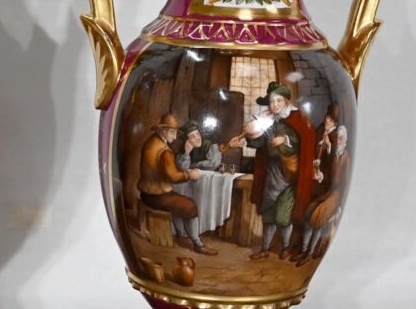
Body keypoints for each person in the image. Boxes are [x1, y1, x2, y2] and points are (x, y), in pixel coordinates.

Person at [228, 81, 315, 261]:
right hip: (271, 174)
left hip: (289, 175)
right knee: (268, 214)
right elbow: (259, 141)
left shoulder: (297, 118)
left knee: (283, 217)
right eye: (271, 101)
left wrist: (285, 139)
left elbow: (302, 140)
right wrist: (242, 142)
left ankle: (285, 246)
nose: (275, 105)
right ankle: (265, 249)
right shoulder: (267, 120)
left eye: (278, 101)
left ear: (286, 101)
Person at [138, 113, 216, 256]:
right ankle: (198, 244)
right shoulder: (164, 151)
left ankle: (181, 236)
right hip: (157, 196)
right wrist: (189, 175)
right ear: (163, 131)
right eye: (172, 133)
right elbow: (173, 176)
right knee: (190, 206)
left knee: (180, 201)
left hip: (146, 193)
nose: (174, 137)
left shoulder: (151, 142)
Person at [293, 125, 351, 266]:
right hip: (328, 193)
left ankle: (310, 253)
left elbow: (346, 184)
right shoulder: (333, 155)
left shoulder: (346, 158)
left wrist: (341, 207)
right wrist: (320, 177)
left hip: (337, 195)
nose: (339, 141)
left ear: (345, 141)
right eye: (337, 138)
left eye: (341, 138)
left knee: (318, 217)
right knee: (308, 212)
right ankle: (304, 250)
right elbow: (327, 176)